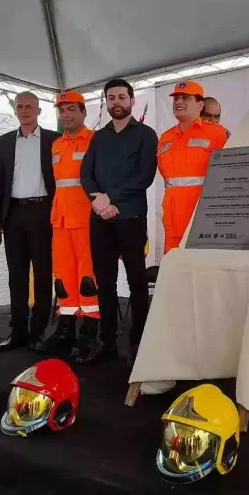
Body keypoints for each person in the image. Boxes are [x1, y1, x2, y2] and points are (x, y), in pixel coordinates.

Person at [80, 78, 158, 365]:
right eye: (111, 98)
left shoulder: (146, 135)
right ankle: (107, 341)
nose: (116, 102)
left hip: (131, 217)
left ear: (132, 100)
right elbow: (86, 173)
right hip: (99, 218)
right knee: (105, 281)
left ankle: (139, 342)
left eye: (121, 97)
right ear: (106, 102)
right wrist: (97, 200)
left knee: (137, 281)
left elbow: (144, 177)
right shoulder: (99, 137)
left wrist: (109, 200)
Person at [0, 92, 60, 353]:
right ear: (15, 111)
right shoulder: (4, 141)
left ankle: (38, 332)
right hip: (13, 213)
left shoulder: (54, 139)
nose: (25, 110)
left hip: (43, 211)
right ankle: (17, 331)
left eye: (30, 107)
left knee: (42, 275)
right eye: (20, 107)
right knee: (16, 275)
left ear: (39, 111)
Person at [48, 90, 100, 358]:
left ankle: (90, 330)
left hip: (86, 219)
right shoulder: (56, 145)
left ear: (83, 112)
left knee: (88, 278)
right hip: (60, 219)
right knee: (63, 277)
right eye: (62, 110)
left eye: (71, 110)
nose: (65, 115)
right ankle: (64, 327)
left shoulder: (94, 141)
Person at [157, 81, 229, 253]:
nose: (179, 102)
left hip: (205, 220)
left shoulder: (218, 134)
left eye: (185, 98)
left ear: (200, 104)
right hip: (173, 221)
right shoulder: (165, 138)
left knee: (204, 274)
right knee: (174, 272)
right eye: (176, 99)